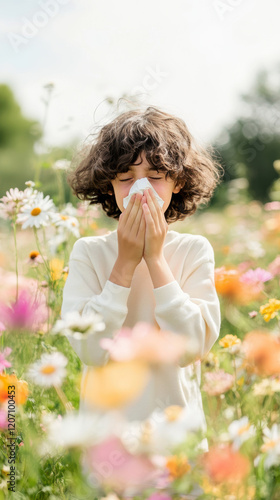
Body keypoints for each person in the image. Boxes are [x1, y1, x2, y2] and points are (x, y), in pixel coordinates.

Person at [61, 106, 223, 488]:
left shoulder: (193, 251)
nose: (140, 189)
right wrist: (125, 263)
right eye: (126, 178)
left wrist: (153, 258)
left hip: (177, 443)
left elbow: (191, 346)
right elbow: (89, 350)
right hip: (108, 447)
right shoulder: (89, 253)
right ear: (109, 185)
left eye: (155, 176)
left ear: (178, 182)